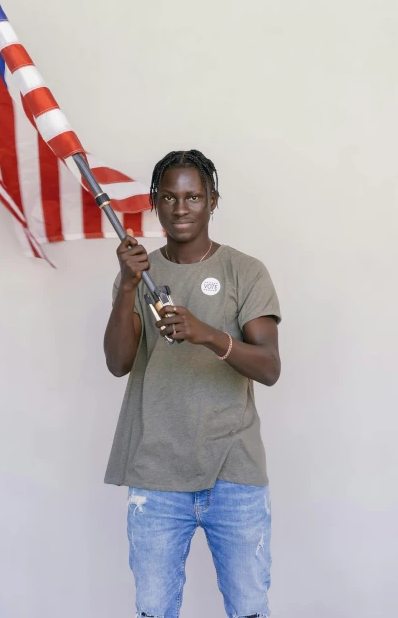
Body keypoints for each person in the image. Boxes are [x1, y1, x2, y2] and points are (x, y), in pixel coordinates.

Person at [104, 149, 281, 618]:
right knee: (154, 610)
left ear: (213, 201)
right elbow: (118, 362)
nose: (181, 209)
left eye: (193, 197)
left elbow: (269, 367)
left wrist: (208, 335)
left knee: (249, 609)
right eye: (169, 197)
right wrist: (125, 287)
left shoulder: (245, 271)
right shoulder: (139, 275)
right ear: (154, 203)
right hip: (157, 472)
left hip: (234, 472)